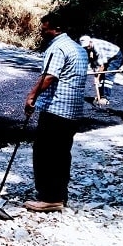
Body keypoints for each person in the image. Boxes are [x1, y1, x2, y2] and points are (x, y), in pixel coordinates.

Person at [23, 12, 88, 212]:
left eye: (45, 28)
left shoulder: (58, 47)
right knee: (61, 154)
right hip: (73, 111)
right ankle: (59, 196)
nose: (42, 32)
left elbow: (49, 76)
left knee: (45, 153)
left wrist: (31, 96)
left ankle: (49, 198)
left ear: (56, 28)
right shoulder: (78, 48)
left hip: (56, 110)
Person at [78, 35, 123, 105]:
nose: (87, 47)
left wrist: (97, 78)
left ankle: (105, 98)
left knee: (108, 75)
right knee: (101, 76)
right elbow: (93, 61)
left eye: (87, 46)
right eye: (85, 47)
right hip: (107, 56)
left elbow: (102, 66)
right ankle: (100, 95)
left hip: (115, 55)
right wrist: (95, 70)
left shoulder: (97, 47)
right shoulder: (89, 47)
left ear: (90, 42)